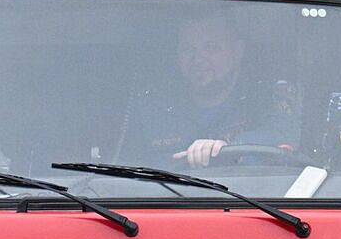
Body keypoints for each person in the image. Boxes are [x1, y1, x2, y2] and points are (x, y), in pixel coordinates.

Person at [117, 13, 291, 169]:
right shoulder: (152, 109)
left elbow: (284, 142)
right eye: (188, 49)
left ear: (238, 51)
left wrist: (228, 148)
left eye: (211, 47)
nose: (198, 59)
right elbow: (125, 171)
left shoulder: (268, 99)